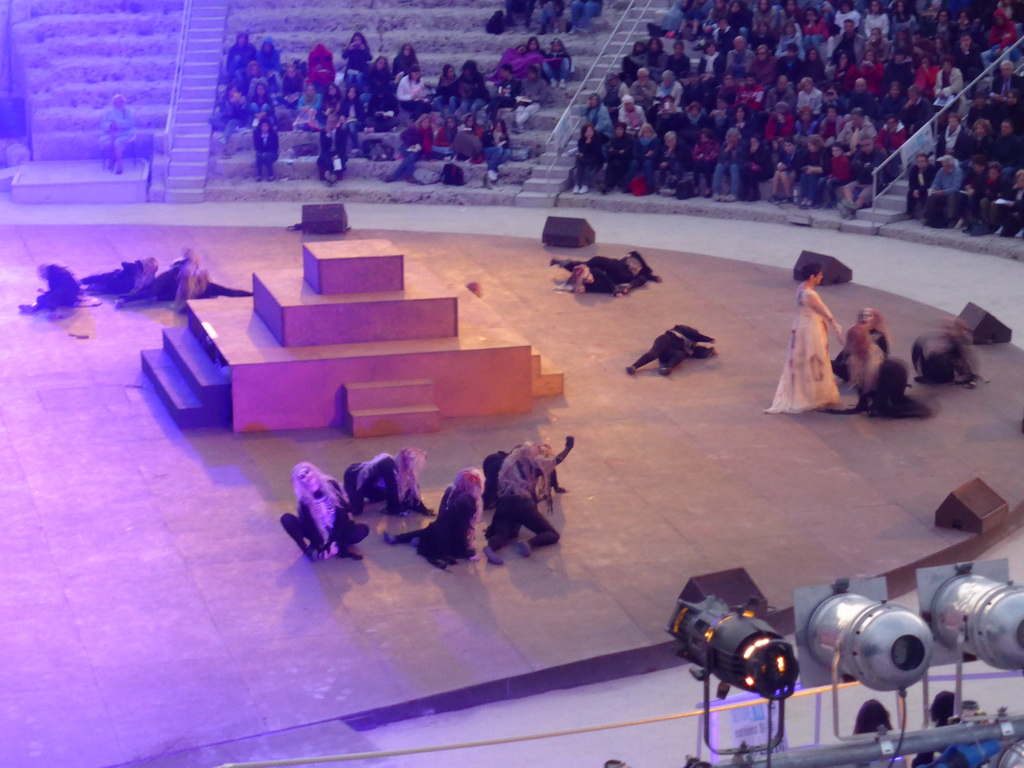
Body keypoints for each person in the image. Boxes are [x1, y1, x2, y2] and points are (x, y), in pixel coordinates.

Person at [766, 261, 844, 414]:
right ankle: (813, 396)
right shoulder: (810, 294)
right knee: (815, 360)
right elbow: (824, 311)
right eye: (819, 275)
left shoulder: (801, 288)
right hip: (811, 332)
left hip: (803, 328)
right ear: (812, 276)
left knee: (804, 361)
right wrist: (835, 326)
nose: (821, 277)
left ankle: (809, 394)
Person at [383, 468, 484, 570]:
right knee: (439, 538)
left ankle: (398, 538)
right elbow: (462, 529)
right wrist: (468, 552)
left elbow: (442, 515)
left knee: (427, 531)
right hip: (450, 539)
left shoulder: (450, 491)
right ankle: (421, 543)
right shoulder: (469, 502)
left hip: (438, 528)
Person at [482, 444, 564, 565]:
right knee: (552, 534)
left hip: (504, 504)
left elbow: (491, 489)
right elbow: (555, 461)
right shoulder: (532, 466)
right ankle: (530, 543)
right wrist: (568, 447)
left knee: (502, 535)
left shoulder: (507, 465)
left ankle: (490, 548)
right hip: (522, 504)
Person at [280, 462, 369, 561]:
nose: (307, 477)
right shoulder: (304, 500)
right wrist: (322, 543)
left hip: (339, 529)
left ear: (313, 471)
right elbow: (310, 526)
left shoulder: (331, 485)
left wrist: (334, 541)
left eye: (308, 472)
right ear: (300, 482)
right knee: (286, 519)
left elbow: (343, 513)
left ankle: (334, 547)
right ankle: (308, 551)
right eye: (302, 476)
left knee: (362, 530)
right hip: (319, 535)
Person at [482, 436, 574, 510]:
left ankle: (555, 486)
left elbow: (554, 462)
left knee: (545, 468)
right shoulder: (511, 471)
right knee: (493, 497)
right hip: (492, 464)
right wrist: (568, 448)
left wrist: (568, 448)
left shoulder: (534, 463)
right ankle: (491, 498)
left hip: (509, 463)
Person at [343, 447, 432, 517]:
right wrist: (398, 509)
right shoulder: (386, 464)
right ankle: (344, 495)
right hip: (353, 477)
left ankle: (362, 492)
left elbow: (413, 487)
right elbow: (392, 488)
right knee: (356, 510)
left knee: (381, 496)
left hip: (370, 483)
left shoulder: (402, 467)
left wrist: (421, 508)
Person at [551, 251, 662, 296]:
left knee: (597, 276)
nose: (632, 264)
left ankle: (568, 265)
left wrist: (630, 285)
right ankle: (569, 264)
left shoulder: (637, 275)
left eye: (636, 264)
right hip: (607, 264)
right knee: (593, 263)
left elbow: (642, 279)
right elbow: (634, 254)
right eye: (631, 261)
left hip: (611, 276)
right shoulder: (625, 260)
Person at [626, 325, 717, 376]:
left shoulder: (692, 346)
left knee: (680, 355)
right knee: (653, 354)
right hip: (667, 340)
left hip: (671, 353)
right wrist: (708, 339)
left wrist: (711, 351)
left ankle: (666, 368)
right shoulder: (681, 330)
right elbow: (695, 335)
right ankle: (634, 367)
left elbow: (700, 353)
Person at [912, 318, 978, 387]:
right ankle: (933, 376)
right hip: (935, 368)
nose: (947, 331)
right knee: (923, 347)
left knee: (937, 355)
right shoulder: (946, 340)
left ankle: (938, 377)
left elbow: (965, 360)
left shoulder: (957, 342)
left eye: (949, 329)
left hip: (944, 370)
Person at [81, 257, 158, 296]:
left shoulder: (148, 278)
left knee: (97, 285)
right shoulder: (135, 269)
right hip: (115, 281)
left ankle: (81, 286)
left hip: (116, 285)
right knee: (97, 280)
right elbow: (124, 264)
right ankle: (81, 283)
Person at [100, 94, 136, 174]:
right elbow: (103, 124)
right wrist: (110, 125)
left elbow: (130, 123)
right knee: (105, 142)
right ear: (114, 103)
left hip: (125, 133)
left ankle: (119, 165)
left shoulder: (128, 111)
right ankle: (112, 158)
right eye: (118, 101)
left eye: (122, 101)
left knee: (118, 142)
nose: (121, 103)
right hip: (111, 133)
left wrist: (118, 124)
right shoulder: (109, 112)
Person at [571, 122, 605, 195]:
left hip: (594, 159)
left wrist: (586, 149)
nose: (590, 133)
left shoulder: (597, 139)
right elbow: (581, 151)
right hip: (584, 159)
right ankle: (577, 185)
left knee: (587, 168)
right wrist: (586, 143)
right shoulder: (581, 140)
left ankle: (585, 185)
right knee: (579, 168)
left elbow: (596, 152)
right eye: (587, 131)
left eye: (591, 131)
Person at [252, 117, 278, 182]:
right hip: (261, 151)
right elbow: (257, 147)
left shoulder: (273, 134)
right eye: (263, 126)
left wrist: (266, 152)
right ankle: (259, 175)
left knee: (267, 156)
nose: (264, 128)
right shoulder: (256, 134)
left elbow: (275, 147)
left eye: (266, 126)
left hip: (272, 153)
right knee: (258, 156)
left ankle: (271, 175)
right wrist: (262, 151)